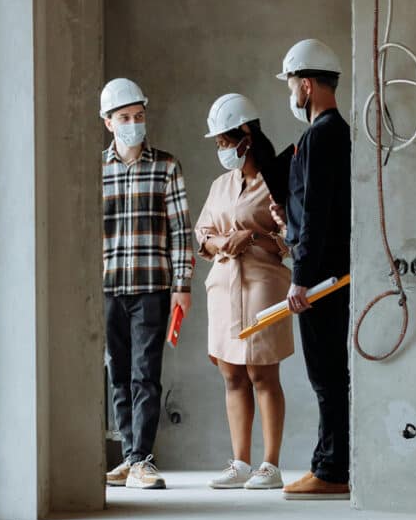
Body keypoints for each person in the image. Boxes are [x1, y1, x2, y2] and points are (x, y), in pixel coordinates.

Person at [267, 39, 353, 500]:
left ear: (306, 84)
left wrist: (300, 279)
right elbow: (312, 209)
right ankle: (332, 463)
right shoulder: (329, 134)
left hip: (322, 278)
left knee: (326, 373)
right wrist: (290, 224)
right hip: (326, 269)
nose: (291, 96)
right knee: (329, 372)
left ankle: (332, 469)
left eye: (291, 86)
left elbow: (319, 213)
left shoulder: (321, 135)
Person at [195, 94, 293, 490]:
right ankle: (240, 461)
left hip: (261, 286)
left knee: (262, 372)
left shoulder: (277, 182)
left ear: (246, 135)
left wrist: (251, 236)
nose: (222, 150)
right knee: (231, 374)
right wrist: (220, 244)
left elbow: (290, 239)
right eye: (218, 143)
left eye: (224, 141)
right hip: (222, 287)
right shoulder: (221, 185)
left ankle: (270, 464)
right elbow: (203, 235)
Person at [100, 78, 193, 490]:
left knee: (145, 374)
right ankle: (127, 456)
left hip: (152, 287)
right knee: (117, 374)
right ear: (108, 123)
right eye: (125, 118)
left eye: (139, 116)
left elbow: (180, 233)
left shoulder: (166, 166)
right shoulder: (96, 171)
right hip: (108, 288)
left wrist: (183, 286)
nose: (134, 124)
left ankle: (142, 459)